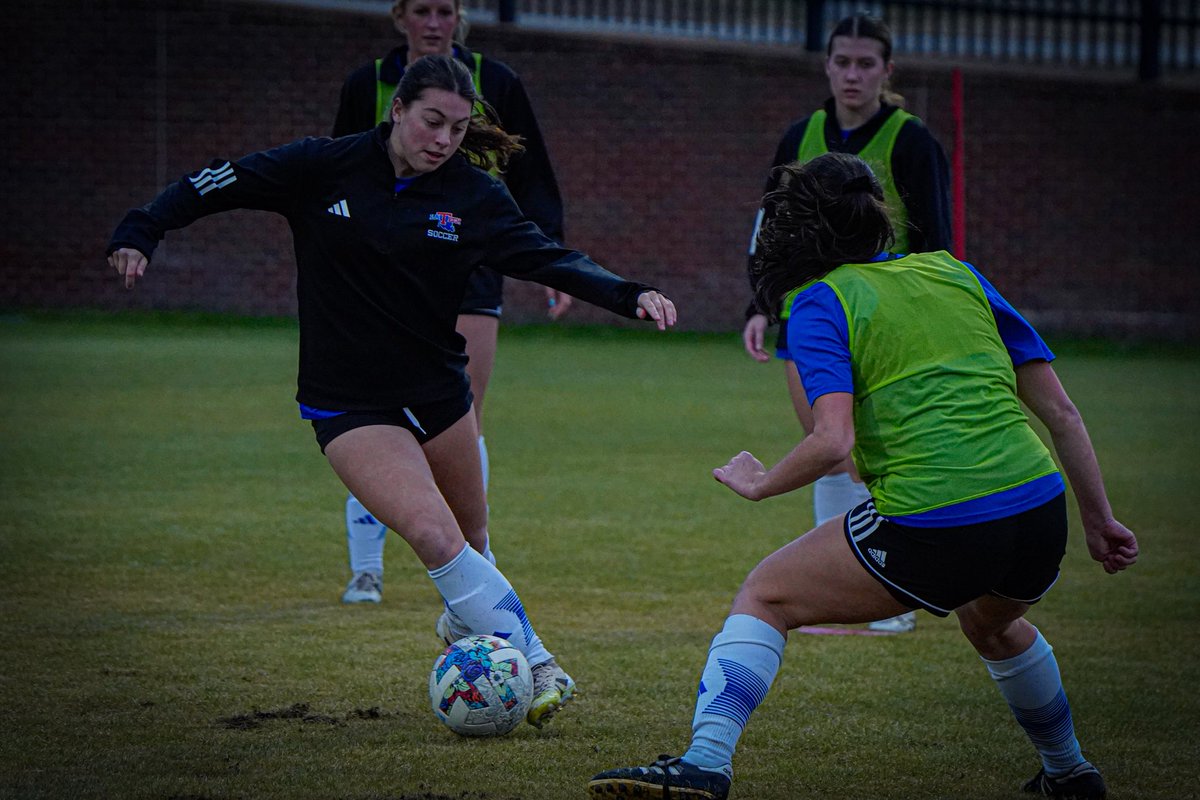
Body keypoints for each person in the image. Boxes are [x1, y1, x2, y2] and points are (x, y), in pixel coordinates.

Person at [107, 54, 677, 729]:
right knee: (435, 536)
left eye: (458, 129)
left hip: (438, 393)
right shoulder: (323, 166)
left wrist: (629, 294)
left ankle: (467, 628)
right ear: (397, 109)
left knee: (473, 543)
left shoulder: (473, 196)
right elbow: (217, 181)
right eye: (432, 121)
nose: (444, 140)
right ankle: (539, 660)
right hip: (349, 402)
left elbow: (548, 257)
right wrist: (142, 227)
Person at [588, 152, 1137, 799]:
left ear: (796, 233)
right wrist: (1099, 521)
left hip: (939, 517)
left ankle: (704, 762)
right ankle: (1069, 771)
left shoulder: (820, 301)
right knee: (991, 623)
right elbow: (1062, 413)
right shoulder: (955, 271)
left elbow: (832, 441)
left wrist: (760, 482)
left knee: (765, 595)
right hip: (1039, 510)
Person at [333, 0, 573, 605]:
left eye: (446, 10)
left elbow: (533, 177)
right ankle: (366, 570)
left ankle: (474, 566)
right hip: (380, 277)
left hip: (468, 268)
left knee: (464, 416)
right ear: (400, 16)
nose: (435, 22)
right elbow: (337, 174)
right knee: (372, 417)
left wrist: (553, 261)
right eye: (423, 10)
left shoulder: (497, 82)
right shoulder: (367, 84)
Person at [742, 13, 952, 633]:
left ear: (888, 70)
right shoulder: (799, 136)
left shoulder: (911, 141)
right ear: (826, 66)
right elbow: (768, 228)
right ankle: (834, 596)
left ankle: (893, 600)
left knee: (872, 455)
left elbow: (936, 242)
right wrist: (759, 305)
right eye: (842, 62)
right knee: (826, 448)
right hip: (807, 317)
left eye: (866, 63)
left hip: (884, 323)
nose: (852, 74)